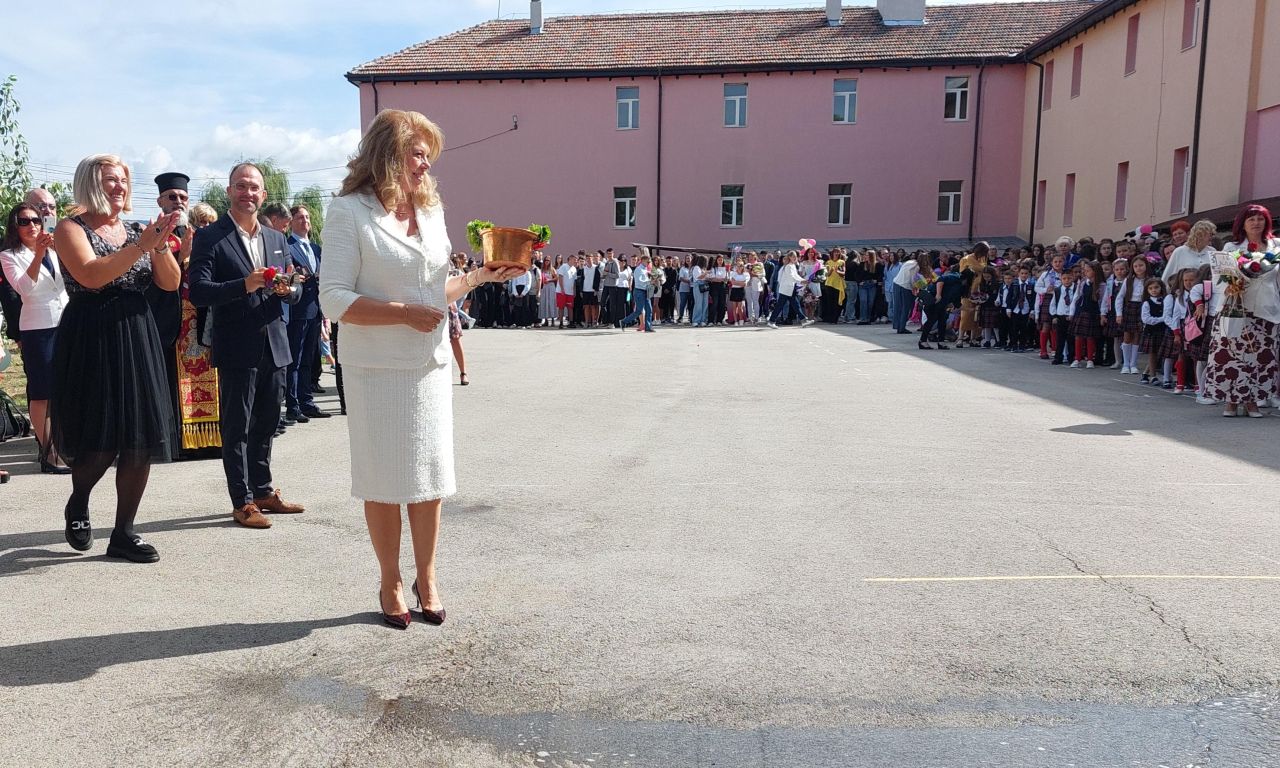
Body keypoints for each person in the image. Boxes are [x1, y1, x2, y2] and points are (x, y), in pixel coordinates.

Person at [319, 108, 525, 629]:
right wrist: (401, 314)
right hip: (375, 368)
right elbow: (333, 299)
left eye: (428, 154)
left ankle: (427, 576)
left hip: (429, 365)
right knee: (383, 478)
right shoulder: (348, 211)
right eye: (416, 153)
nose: (426, 163)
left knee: (431, 475)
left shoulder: (430, 211)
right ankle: (390, 578)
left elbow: (435, 291)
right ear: (387, 155)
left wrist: (478, 277)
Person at [50, 153, 181, 562]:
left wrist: (159, 245)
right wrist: (141, 245)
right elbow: (91, 275)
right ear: (90, 183)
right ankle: (79, 500)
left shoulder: (139, 229)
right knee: (100, 440)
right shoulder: (70, 228)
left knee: (140, 439)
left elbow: (170, 282)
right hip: (93, 335)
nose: (120, 186)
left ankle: (124, 532)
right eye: (111, 179)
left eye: (124, 179)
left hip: (137, 332)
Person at [189, 163, 305, 529]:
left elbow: (294, 288)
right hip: (237, 344)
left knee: (268, 422)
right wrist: (245, 285)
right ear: (229, 191)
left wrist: (289, 289)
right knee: (237, 427)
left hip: (275, 343)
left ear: (263, 195)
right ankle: (242, 501)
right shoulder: (210, 237)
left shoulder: (276, 238)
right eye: (241, 186)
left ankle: (263, 491)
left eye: (254, 187)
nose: (247, 193)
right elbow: (199, 291)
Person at [0, 203, 70, 472]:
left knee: (65, 388)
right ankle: (49, 453)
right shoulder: (9, 255)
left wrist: (54, 247)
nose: (32, 226)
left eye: (36, 220)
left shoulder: (56, 249)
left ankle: (67, 445)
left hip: (65, 321)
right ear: (14, 226)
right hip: (37, 328)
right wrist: (38, 253)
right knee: (42, 392)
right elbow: (24, 289)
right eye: (24, 221)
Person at [1202, 204, 1280, 417]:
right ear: (1243, 224)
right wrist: (1229, 285)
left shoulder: (1276, 246)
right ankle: (1231, 401)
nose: (1256, 223)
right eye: (1251, 219)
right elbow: (1219, 275)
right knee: (1232, 356)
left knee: (1260, 357)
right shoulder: (1232, 247)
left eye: (1260, 219)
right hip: (1236, 306)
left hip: (1266, 308)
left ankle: (1253, 401)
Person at [147, 172, 193, 461]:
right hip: (163, 316)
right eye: (172, 197)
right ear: (160, 201)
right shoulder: (151, 233)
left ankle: (194, 441)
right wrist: (180, 257)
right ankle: (169, 441)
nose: (178, 201)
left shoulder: (195, 233)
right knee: (165, 377)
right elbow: (154, 278)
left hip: (194, 320)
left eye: (183, 197)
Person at [285, 204, 328, 421]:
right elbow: (286, 275)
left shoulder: (316, 248)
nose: (306, 221)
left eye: (307, 217)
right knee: (295, 359)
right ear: (291, 222)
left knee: (309, 360)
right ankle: (293, 406)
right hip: (297, 309)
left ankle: (307, 402)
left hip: (315, 308)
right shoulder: (287, 246)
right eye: (300, 218)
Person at [619, 254, 656, 332]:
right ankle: (624, 321)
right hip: (639, 291)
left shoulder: (645, 269)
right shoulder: (638, 269)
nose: (649, 263)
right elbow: (639, 282)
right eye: (647, 261)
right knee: (639, 310)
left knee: (649, 309)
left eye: (649, 262)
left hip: (646, 291)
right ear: (643, 261)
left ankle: (648, 327)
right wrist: (650, 281)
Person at [555, 253, 577, 329]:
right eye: (574, 260)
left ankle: (571, 322)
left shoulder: (574, 269)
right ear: (570, 259)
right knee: (561, 307)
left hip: (570, 292)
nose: (575, 261)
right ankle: (561, 323)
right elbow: (560, 277)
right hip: (561, 291)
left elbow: (574, 281)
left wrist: (574, 291)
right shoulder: (564, 266)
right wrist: (562, 289)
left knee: (570, 307)